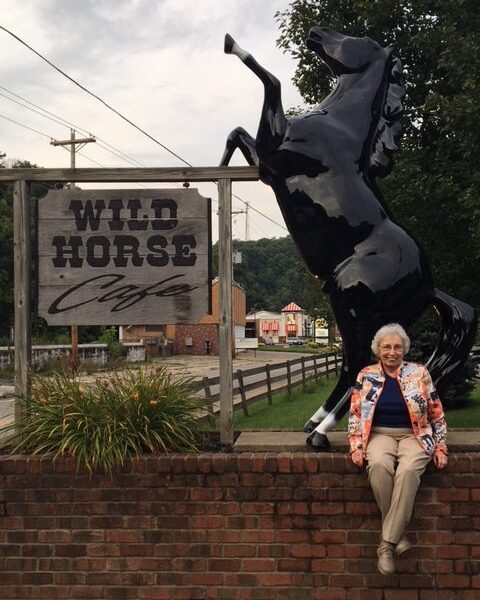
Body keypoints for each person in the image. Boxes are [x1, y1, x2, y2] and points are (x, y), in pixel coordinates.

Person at [348, 323, 448, 576]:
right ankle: (398, 536)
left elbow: (436, 412)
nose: (392, 352)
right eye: (386, 347)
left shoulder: (419, 372)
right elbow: (355, 416)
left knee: (408, 471)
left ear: (404, 349)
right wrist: (356, 447)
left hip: (415, 435)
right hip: (379, 433)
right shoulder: (366, 375)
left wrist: (441, 447)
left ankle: (387, 544)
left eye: (397, 347)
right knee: (379, 465)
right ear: (377, 350)